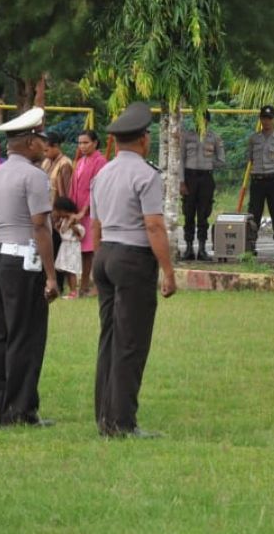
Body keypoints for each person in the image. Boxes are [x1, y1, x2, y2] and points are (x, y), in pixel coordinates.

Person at [90, 102, 177, 438]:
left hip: (107, 253)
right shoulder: (146, 174)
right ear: (144, 139)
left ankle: (104, 416)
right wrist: (167, 271)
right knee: (131, 341)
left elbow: (96, 224)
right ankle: (123, 422)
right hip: (133, 257)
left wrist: (100, 261)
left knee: (109, 338)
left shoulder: (103, 173)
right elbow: (154, 225)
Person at [0, 108, 58, 427]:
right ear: (28, 142)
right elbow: (40, 226)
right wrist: (52, 275)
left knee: (0, 336)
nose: (44, 145)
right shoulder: (35, 176)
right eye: (40, 139)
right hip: (23, 259)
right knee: (25, 335)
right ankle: (21, 410)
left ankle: (1, 408)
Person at [179, 110, 225, 261]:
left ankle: (203, 249)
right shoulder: (187, 136)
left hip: (206, 178)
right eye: (198, 119)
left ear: (208, 121)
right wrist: (181, 181)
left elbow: (221, 160)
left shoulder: (215, 138)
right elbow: (180, 159)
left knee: (203, 215)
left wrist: (208, 164)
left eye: (203, 119)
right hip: (190, 178)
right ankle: (189, 248)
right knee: (189, 214)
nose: (201, 122)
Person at [246, 105, 274, 260]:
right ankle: (251, 246)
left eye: (269, 118)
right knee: (254, 215)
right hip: (257, 179)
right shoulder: (253, 139)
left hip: (273, 180)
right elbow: (251, 158)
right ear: (260, 119)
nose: (266, 121)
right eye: (264, 118)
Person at [71, 129, 107, 296]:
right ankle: (83, 286)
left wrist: (84, 210)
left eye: (85, 142)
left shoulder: (100, 161)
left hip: (92, 213)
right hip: (78, 213)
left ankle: (97, 285)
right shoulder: (80, 161)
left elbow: (96, 189)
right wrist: (72, 211)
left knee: (94, 250)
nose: (82, 146)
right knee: (84, 252)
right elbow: (74, 187)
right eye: (80, 143)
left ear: (95, 143)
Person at [41, 132, 74, 290]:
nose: (44, 153)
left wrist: (62, 216)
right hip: (44, 212)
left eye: (47, 150)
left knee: (56, 249)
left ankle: (58, 285)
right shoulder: (46, 162)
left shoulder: (65, 164)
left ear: (56, 147)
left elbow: (66, 192)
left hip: (57, 214)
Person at [53, 196, 85, 297]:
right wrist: (58, 227)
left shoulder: (74, 218)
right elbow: (63, 231)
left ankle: (74, 291)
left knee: (72, 270)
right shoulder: (64, 220)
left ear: (63, 210)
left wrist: (72, 225)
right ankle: (71, 291)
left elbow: (80, 233)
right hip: (65, 246)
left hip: (72, 247)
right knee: (66, 269)